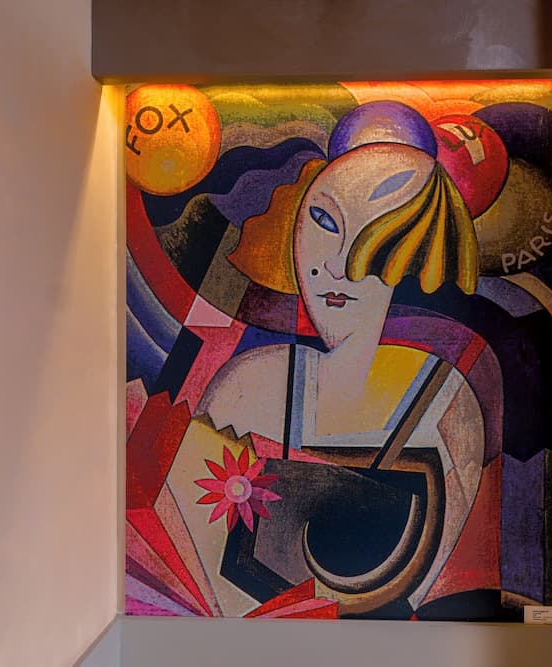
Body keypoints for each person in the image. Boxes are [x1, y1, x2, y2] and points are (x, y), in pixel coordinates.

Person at [189, 139, 487, 615]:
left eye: (376, 240)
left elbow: (439, 598)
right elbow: (192, 573)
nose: (335, 266)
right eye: (324, 222)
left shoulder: (445, 404)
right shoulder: (247, 387)